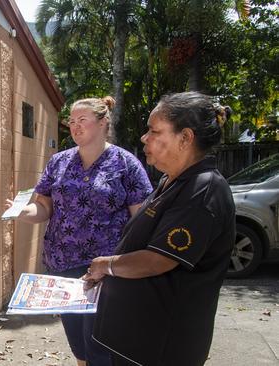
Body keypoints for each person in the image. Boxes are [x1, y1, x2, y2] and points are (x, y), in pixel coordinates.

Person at [83, 92, 235, 366]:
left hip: (162, 346)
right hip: (138, 338)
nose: (145, 138)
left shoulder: (203, 190)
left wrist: (106, 266)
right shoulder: (173, 180)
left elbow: (158, 259)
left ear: (185, 138)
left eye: (154, 131)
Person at [6, 96, 152, 366]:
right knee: (78, 344)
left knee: (98, 343)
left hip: (104, 270)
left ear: (102, 122)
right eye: (71, 121)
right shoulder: (58, 162)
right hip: (61, 266)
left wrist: (130, 265)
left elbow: (141, 220)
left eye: (82, 120)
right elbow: (44, 208)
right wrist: (23, 213)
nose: (75, 126)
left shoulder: (126, 164)